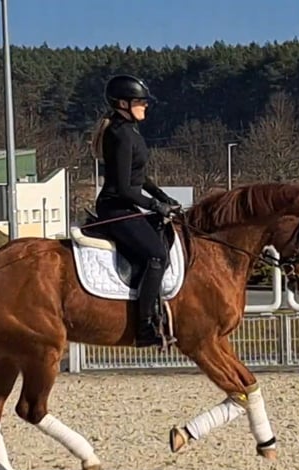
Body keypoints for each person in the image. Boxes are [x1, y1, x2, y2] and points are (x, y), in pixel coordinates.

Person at [90, 74, 182, 348]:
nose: (145, 106)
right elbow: (123, 187)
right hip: (115, 207)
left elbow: (139, 178)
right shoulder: (119, 134)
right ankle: (144, 327)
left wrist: (164, 197)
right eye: (139, 101)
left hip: (127, 205)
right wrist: (156, 206)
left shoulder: (130, 131)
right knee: (155, 254)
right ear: (122, 103)